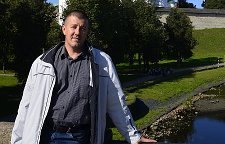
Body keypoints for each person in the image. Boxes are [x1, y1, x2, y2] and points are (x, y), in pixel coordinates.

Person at [11, 10, 156, 144]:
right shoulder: (43, 62)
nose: (77, 32)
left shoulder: (102, 62)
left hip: (80, 137)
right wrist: (17, 140)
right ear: (64, 29)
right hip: (45, 135)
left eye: (83, 28)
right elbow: (26, 105)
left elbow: (116, 102)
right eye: (73, 27)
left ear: (87, 32)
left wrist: (133, 135)